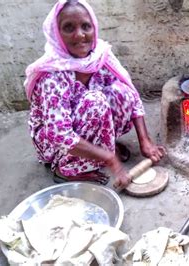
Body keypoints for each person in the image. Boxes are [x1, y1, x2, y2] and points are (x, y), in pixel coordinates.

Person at [25, 0, 165, 190]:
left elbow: (132, 96)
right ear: (57, 34)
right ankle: (66, 169)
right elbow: (60, 135)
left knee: (121, 92)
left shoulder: (101, 55)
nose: (80, 35)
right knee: (96, 101)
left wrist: (145, 141)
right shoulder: (53, 74)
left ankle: (102, 146)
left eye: (85, 26)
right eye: (68, 28)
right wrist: (109, 158)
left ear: (94, 28)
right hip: (55, 141)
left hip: (87, 119)